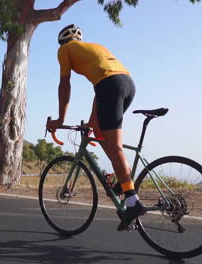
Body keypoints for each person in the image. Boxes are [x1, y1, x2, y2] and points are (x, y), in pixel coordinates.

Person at [46, 24, 147, 231]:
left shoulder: (64, 50)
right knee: (101, 134)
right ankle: (122, 181)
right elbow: (100, 92)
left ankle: (132, 202)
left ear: (63, 41)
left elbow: (65, 85)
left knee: (115, 145)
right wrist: (92, 125)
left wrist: (59, 119)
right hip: (126, 83)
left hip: (109, 86)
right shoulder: (95, 48)